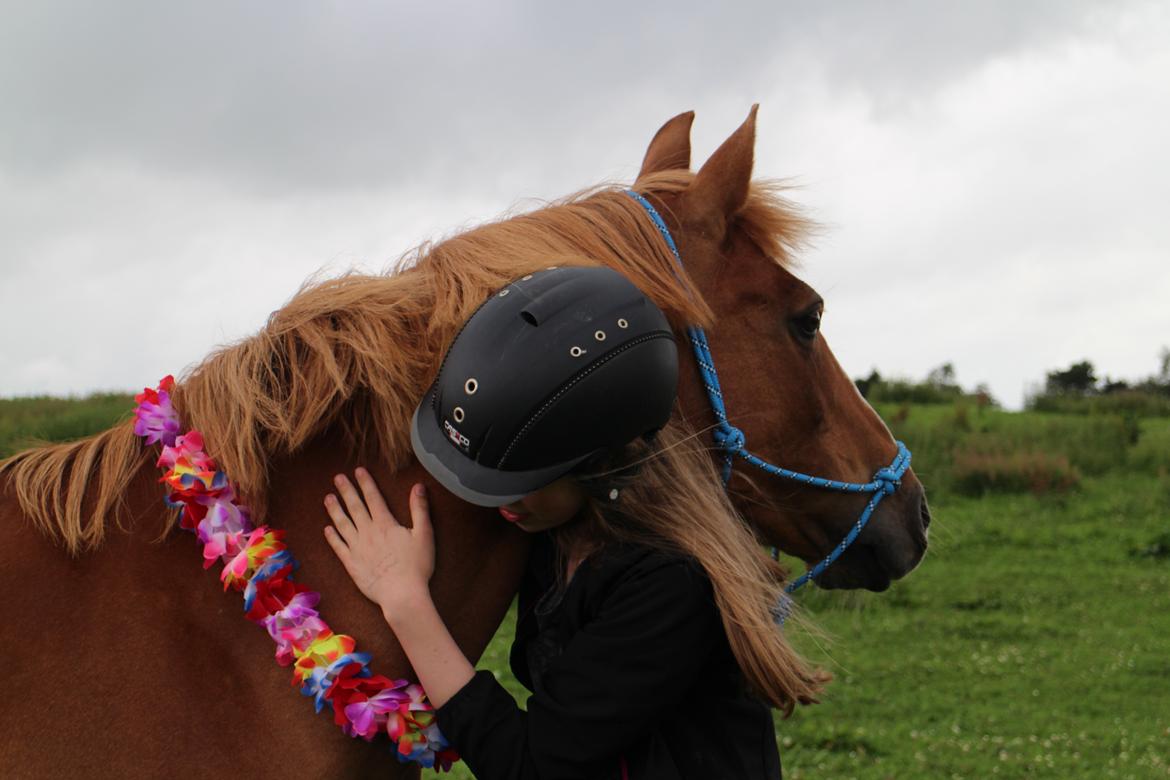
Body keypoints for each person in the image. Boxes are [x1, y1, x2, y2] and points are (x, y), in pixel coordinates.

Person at [322, 265, 828, 779]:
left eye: (524, 479)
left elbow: (534, 767)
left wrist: (406, 601)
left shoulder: (672, 584)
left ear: (605, 462)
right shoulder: (563, 531)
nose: (503, 503)